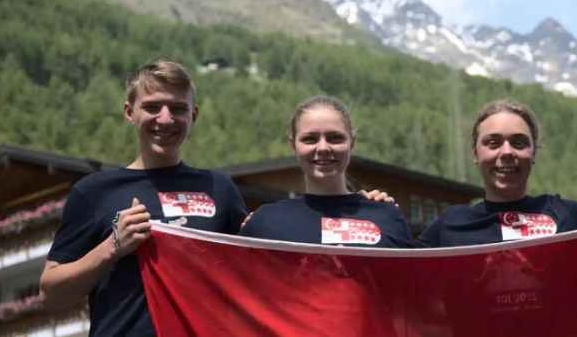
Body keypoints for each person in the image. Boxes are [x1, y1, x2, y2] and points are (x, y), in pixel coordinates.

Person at [40, 61, 248, 336]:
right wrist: (113, 246)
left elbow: (248, 281)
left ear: (193, 116)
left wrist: (259, 236)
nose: (165, 119)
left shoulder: (219, 188)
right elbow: (51, 295)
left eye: (177, 108)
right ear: (130, 112)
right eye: (152, 107)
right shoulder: (93, 191)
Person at [239, 95, 412, 247]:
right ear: (293, 146)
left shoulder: (387, 217)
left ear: (351, 143)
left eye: (335, 138)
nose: (323, 147)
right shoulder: (266, 222)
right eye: (310, 139)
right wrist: (254, 227)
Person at [416, 99, 577, 247]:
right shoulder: (451, 224)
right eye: (493, 143)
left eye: (519, 142)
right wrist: (387, 211)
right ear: (475, 154)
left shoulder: (569, 215)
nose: (507, 152)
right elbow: (399, 263)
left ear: (534, 153)